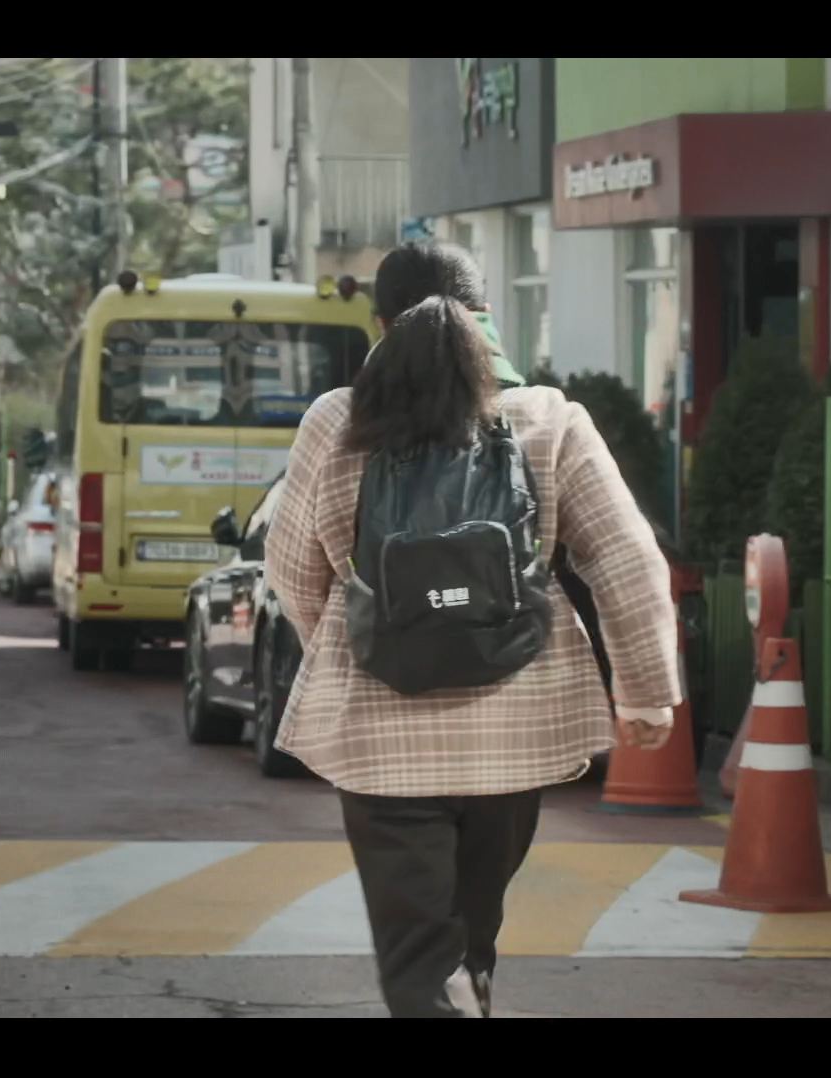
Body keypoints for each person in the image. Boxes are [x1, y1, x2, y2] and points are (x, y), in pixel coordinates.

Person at [266, 243, 683, 1018]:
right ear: (488, 316)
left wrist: (358, 640)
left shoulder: (338, 420)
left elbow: (291, 570)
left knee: (420, 955)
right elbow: (626, 558)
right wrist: (646, 692)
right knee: (471, 938)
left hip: (381, 741)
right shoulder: (548, 418)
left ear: (379, 325)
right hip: (514, 733)